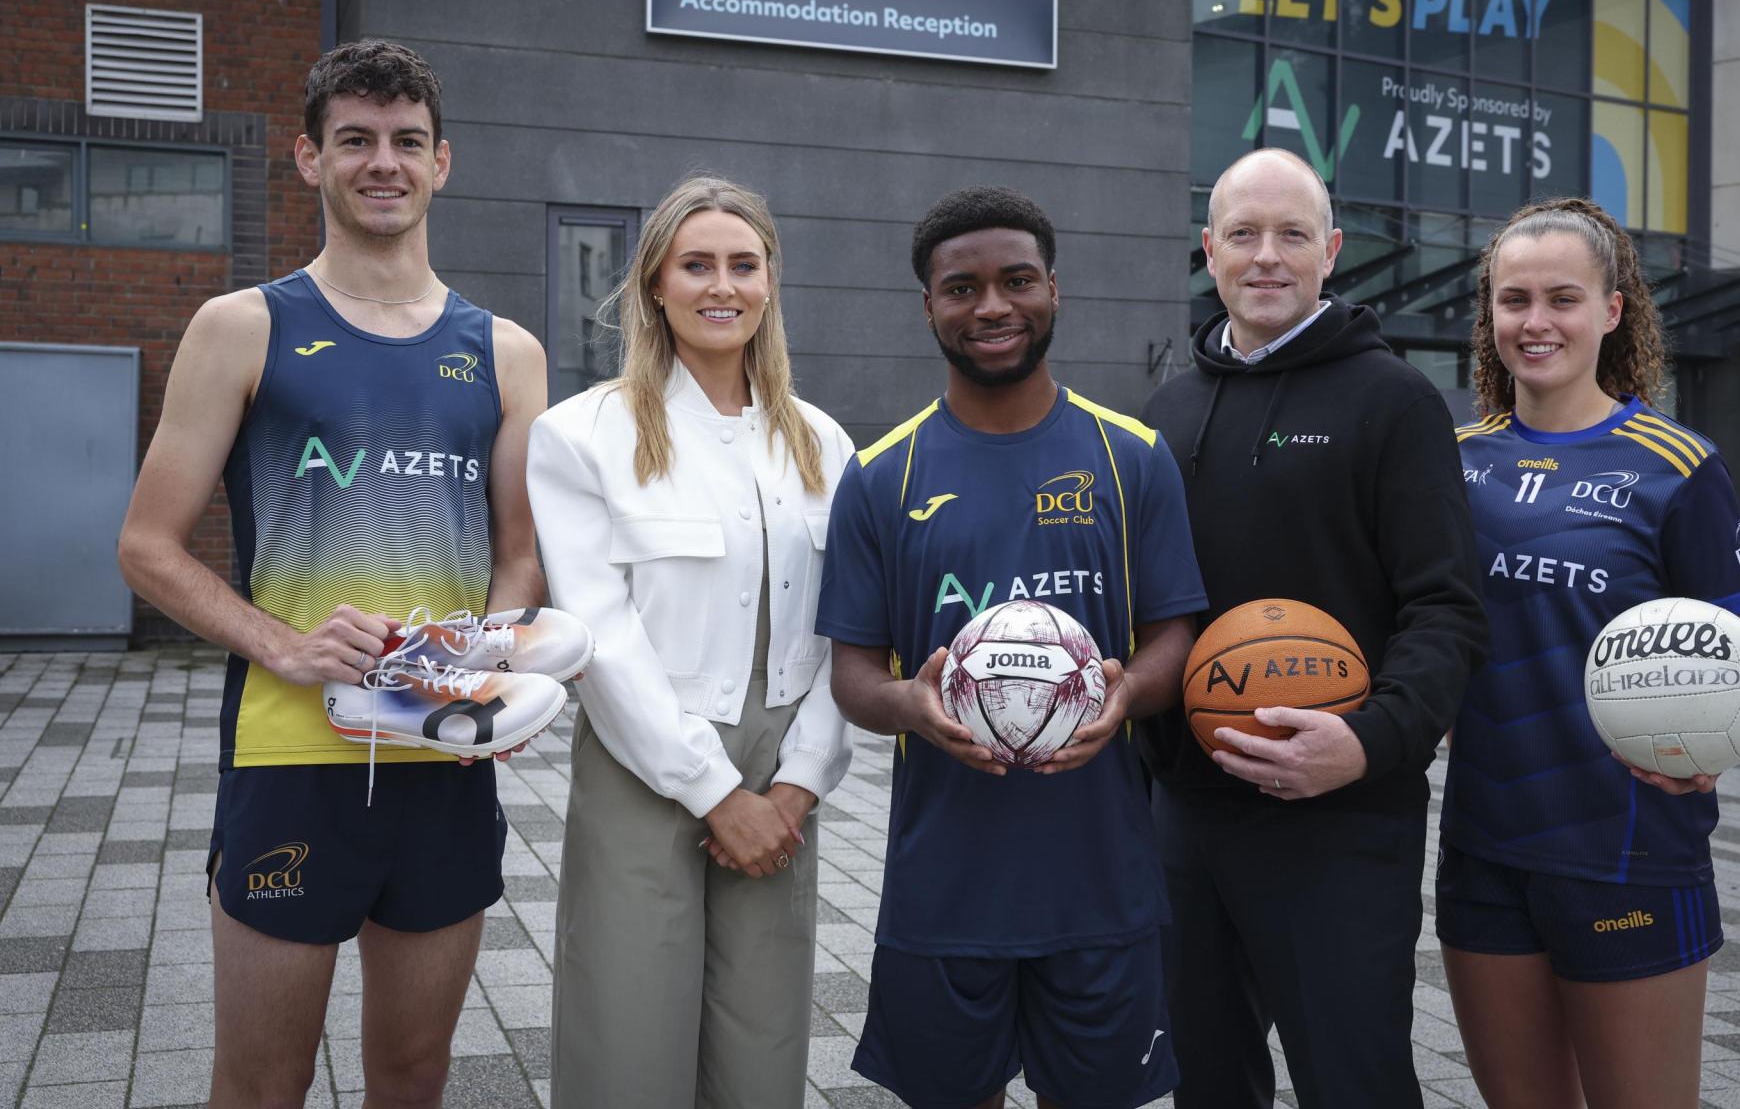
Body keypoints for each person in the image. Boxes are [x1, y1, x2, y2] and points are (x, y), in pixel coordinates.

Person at [116, 40, 550, 1107]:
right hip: (289, 754)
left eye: (407, 142)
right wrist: (283, 642)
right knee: (263, 1082)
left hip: (441, 761)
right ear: (310, 158)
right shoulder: (243, 327)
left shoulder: (506, 351)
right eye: (355, 140)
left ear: (442, 162)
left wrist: (479, 677)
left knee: (412, 1073)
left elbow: (519, 554)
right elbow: (146, 543)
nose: (383, 162)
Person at [818, 185, 1208, 1109]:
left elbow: (1174, 637)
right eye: (962, 288)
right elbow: (853, 676)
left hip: (1101, 885)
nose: (992, 306)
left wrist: (1128, 695)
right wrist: (907, 702)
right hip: (945, 888)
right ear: (929, 305)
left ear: (1054, 290)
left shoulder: (1132, 457)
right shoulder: (883, 476)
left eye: (1016, 280)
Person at [1139, 148, 1488, 1108]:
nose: (1267, 256)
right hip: (1190, 810)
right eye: (1243, 235)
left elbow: (1445, 606)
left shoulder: (1395, 402)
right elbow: (1147, 610)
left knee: (1354, 1077)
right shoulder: (1167, 409)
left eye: (1292, 234)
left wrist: (1371, 740)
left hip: (1339, 813)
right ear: (1208, 250)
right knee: (1206, 1079)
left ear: (1330, 252)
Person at [526, 175, 855, 1109]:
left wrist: (796, 786)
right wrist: (717, 794)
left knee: (764, 1043)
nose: (723, 286)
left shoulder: (824, 444)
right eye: (697, 264)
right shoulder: (581, 435)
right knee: (625, 1042)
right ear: (654, 285)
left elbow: (850, 630)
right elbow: (602, 638)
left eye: (743, 265)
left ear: (770, 283)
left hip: (782, 771)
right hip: (646, 762)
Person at [1440, 198, 1740, 1109]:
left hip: (1628, 849)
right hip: (1484, 847)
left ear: (1613, 310)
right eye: (1513, 301)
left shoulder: (1679, 466)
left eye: (1561, 299)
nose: (1534, 323)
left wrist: (1728, 734)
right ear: (1489, 315)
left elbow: (1736, 651)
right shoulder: (1452, 461)